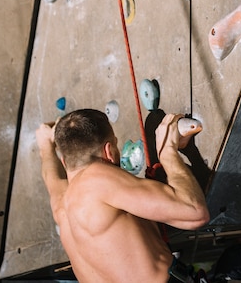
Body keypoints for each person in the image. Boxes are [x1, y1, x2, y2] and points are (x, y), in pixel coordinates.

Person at [36, 109, 210, 283]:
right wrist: (167, 150)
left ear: (65, 162)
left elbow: (50, 176)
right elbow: (195, 213)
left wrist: (45, 147)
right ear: (109, 151)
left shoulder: (61, 204)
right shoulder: (95, 178)